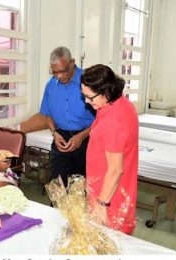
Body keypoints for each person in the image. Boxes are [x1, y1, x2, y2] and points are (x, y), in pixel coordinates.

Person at [80, 64, 139, 235]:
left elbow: (115, 170)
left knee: (108, 242)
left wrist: (101, 205)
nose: (87, 101)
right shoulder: (119, 104)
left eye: (90, 98)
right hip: (112, 189)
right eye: (84, 96)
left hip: (109, 198)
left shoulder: (113, 120)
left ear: (106, 91)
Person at [39, 46, 95, 187]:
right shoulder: (51, 85)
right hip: (61, 138)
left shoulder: (89, 81)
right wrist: (55, 133)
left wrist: (81, 136)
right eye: (55, 72)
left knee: (82, 187)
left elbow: (102, 118)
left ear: (72, 63)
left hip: (88, 138)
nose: (59, 76)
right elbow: (48, 115)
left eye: (62, 71)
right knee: (58, 186)